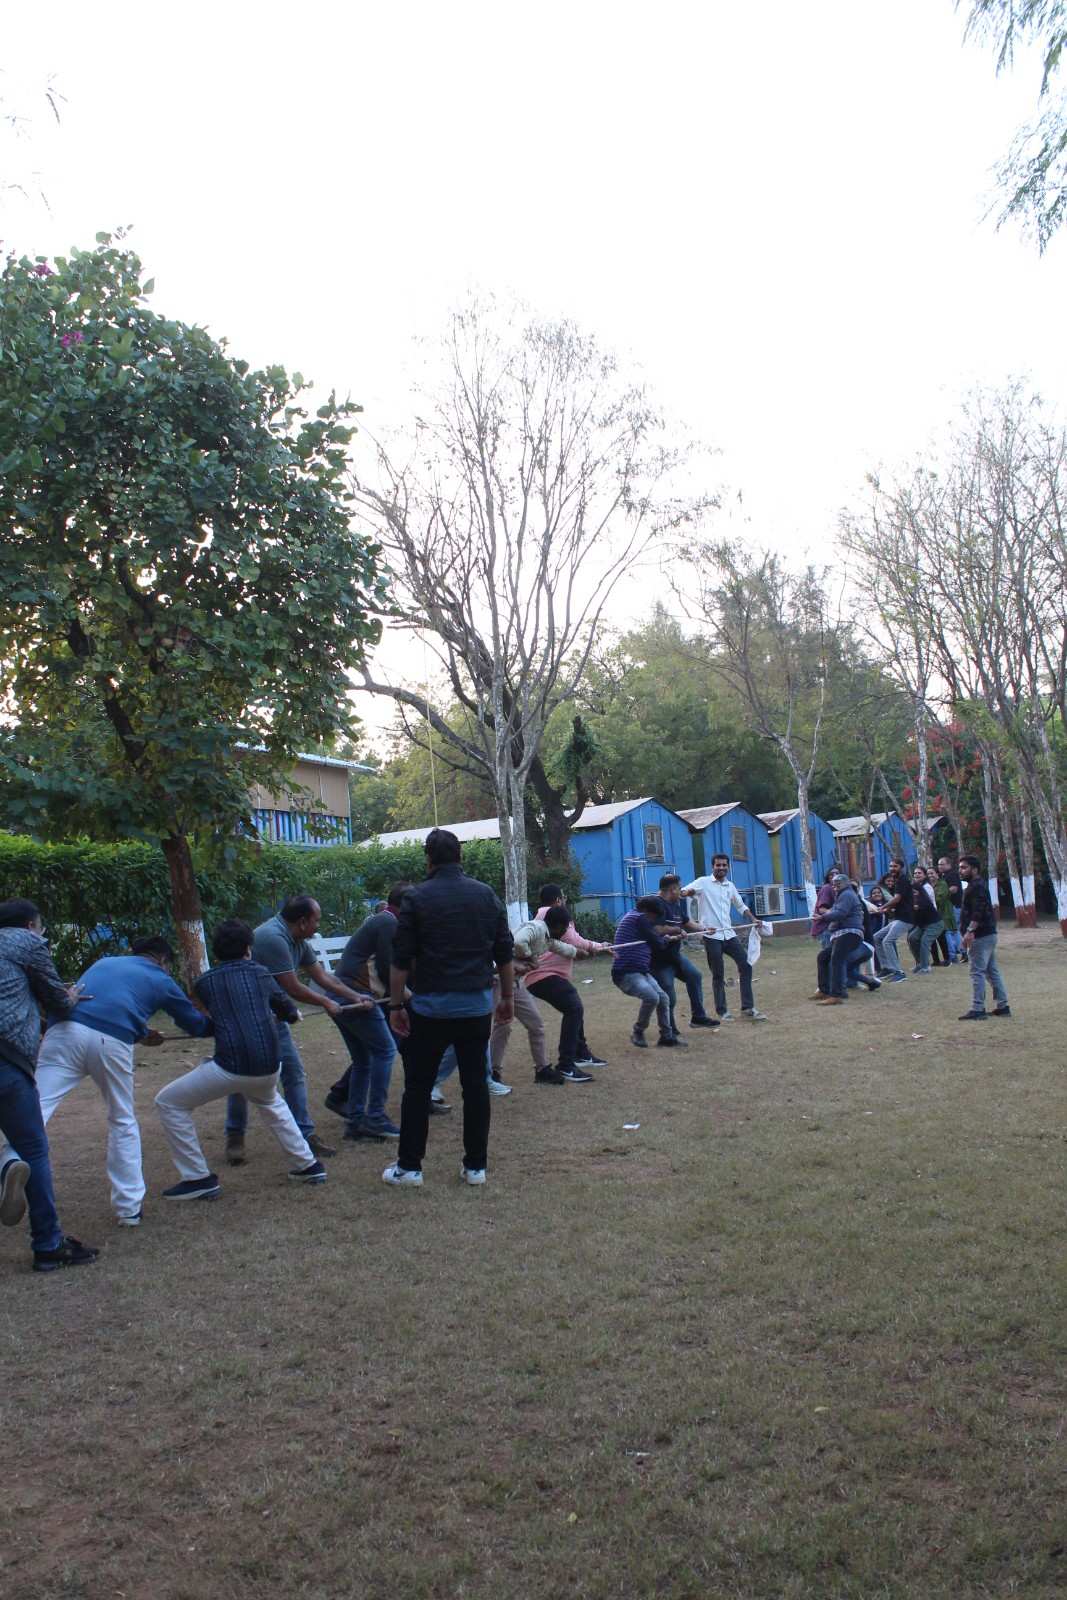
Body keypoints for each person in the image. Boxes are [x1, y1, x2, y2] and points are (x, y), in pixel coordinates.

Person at [12, 935, 212, 1227]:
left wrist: (140, 1032)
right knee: (122, 1119)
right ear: (162, 960)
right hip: (111, 1041)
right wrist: (217, 1026)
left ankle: (9, 1164)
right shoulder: (161, 978)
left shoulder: (104, 963)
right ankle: (128, 1208)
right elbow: (193, 1023)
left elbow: (105, 1002)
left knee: (34, 1109)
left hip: (63, 1033)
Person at [154, 920, 327, 1201]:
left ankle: (197, 1179)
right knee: (271, 1103)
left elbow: (198, 1024)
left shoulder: (205, 983)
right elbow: (287, 1010)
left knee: (169, 1102)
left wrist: (215, 1026)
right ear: (248, 948)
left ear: (217, 952)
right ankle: (308, 1165)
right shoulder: (261, 972)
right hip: (269, 1066)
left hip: (231, 1066)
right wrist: (292, 1015)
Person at [383, 829, 514, 1187]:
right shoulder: (485, 895)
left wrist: (395, 1005)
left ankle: (409, 1167)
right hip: (476, 1008)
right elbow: (504, 952)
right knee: (475, 1087)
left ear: (428, 859)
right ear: (461, 857)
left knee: (418, 1087)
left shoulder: (415, 897)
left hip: (429, 1009)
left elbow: (400, 959)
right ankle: (475, 1168)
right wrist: (507, 997)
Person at [224, 896, 376, 1165]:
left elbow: (323, 977)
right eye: (316, 920)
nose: (318, 926)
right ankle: (235, 1136)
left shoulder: (298, 941)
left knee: (293, 1073)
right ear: (303, 921)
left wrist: (355, 997)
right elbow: (292, 987)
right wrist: (326, 1002)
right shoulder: (273, 938)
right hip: (244, 1017)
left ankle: (305, 1136)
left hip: (273, 1014)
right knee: (241, 1076)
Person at [0, 899, 99, 1272]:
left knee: (20, 1151)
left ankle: (5, 1166)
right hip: (6, 1061)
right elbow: (58, 1001)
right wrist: (69, 995)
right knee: (32, 1149)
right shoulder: (24, 942)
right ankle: (47, 1244)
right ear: (30, 925)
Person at [322, 885, 409, 1141]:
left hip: (343, 994)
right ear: (405, 906)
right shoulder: (388, 922)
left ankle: (357, 1122)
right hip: (355, 995)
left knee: (364, 1059)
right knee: (385, 1050)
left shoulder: (384, 922)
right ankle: (376, 1117)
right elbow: (387, 968)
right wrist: (408, 997)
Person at [512, 906, 593, 1083]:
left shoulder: (547, 937)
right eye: (565, 928)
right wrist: (529, 957)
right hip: (499, 978)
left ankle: (550, 1068)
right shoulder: (536, 928)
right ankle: (566, 1064)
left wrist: (578, 952)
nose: (565, 932)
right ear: (558, 926)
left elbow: (559, 947)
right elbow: (518, 942)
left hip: (514, 982)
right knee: (574, 1007)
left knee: (536, 1024)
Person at [682, 854, 767, 1021]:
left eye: (724, 865)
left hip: (729, 935)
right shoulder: (703, 882)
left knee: (746, 965)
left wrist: (753, 919)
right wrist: (688, 892)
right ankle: (722, 1011)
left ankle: (748, 1008)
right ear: (712, 866)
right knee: (718, 973)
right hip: (711, 936)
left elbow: (740, 906)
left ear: (728, 867)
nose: (721, 868)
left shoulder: (730, 886)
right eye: (718, 865)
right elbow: (685, 891)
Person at [648, 874, 718, 1036]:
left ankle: (698, 1017)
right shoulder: (655, 904)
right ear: (672, 889)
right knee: (669, 996)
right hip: (658, 961)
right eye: (679, 888)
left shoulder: (675, 904)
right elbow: (657, 929)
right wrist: (677, 930)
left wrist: (704, 929)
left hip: (675, 956)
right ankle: (669, 1029)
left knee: (694, 976)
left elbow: (687, 923)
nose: (681, 890)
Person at [610, 898, 677, 1048]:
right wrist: (666, 939)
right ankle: (638, 1032)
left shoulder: (633, 916)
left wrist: (663, 938)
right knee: (652, 997)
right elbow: (658, 943)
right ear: (646, 911)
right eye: (654, 917)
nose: (654, 921)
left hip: (640, 971)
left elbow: (654, 937)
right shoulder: (639, 918)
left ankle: (667, 1037)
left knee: (663, 998)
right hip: (626, 972)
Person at [958, 854, 1011, 1020]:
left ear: (974, 869)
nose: (961, 870)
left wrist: (969, 931)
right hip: (987, 934)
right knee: (991, 971)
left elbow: (978, 911)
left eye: (964, 867)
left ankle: (978, 1008)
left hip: (980, 935)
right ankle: (1003, 1006)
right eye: (960, 867)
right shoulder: (976, 885)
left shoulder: (976, 886)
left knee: (977, 972)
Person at [812, 874, 867, 1004]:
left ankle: (838, 994)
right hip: (843, 933)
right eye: (833, 884)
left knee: (837, 960)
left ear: (846, 883)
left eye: (838, 883)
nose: (835, 886)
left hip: (850, 932)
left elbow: (841, 913)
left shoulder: (847, 895)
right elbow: (835, 912)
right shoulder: (842, 896)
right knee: (823, 957)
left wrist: (823, 917)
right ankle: (824, 990)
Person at [872, 864, 914, 983]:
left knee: (887, 941)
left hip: (906, 919)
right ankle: (887, 968)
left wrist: (882, 907)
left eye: (895, 866)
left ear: (901, 867)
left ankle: (899, 972)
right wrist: (887, 909)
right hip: (898, 918)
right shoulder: (898, 881)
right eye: (890, 866)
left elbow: (897, 899)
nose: (892, 868)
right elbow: (900, 902)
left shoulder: (902, 880)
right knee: (876, 938)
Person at [906, 865, 945, 974]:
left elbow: (922, 905)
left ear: (924, 875)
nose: (916, 875)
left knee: (925, 941)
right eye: (915, 873)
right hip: (923, 923)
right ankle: (920, 963)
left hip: (935, 922)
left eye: (919, 873)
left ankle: (925, 967)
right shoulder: (916, 889)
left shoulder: (926, 889)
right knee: (912, 938)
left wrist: (914, 907)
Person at [938, 855, 968, 962]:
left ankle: (953, 956)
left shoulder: (951, 875)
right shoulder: (946, 875)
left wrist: (940, 895)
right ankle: (963, 953)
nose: (939, 866)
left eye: (942, 864)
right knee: (954, 931)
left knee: (949, 931)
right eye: (939, 864)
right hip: (953, 907)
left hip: (953, 907)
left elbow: (954, 889)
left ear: (949, 865)